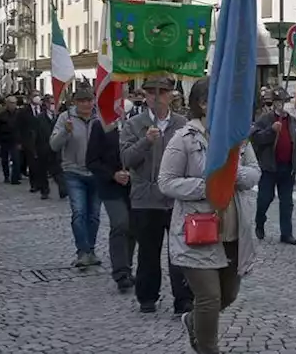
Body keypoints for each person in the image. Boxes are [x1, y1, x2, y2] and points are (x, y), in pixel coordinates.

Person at [159, 77, 261, 354]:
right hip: (198, 232)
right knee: (209, 297)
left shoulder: (237, 135)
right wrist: (209, 186)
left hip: (233, 230)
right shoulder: (184, 138)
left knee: (228, 295)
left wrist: (232, 177)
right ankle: (208, 349)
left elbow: (254, 172)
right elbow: (166, 182)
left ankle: (193, 321)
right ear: (203, 103)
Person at [121, 76, 193, 314]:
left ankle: (183, 299)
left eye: (162, 92)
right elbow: (126, 159)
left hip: (175, 198)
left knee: (179, 252)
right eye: (151, 92)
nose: (156, 97)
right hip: (146, 198)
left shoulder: (183, 124)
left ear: (171, 95)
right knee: (149, 252)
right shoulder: (134, 124)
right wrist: (146, 141)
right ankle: (147, 297)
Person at [50, 88, 103, 268]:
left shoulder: (100, 118)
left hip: (96, 173)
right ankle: (82, 252)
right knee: (79, 212)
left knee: (94, 215)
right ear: (75, 103)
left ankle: (91, 249)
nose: (86, 104)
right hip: (74, 172)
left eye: (89, 100)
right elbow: (54, 145)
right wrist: (65, 132)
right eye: (82, 101)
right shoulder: (66, 118)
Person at [86, 112, 135, 294]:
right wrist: (112, 174)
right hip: (110, 185)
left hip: (134, 185)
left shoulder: (138, 122)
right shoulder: (101, 125)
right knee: (120, 223)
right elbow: (91, 160)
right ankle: (120, 272)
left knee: (133, 227)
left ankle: (127, 267)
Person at [251, 87, 296, 245]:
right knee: (265, 198)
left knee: (287, 202)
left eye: (284, 101)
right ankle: (260, 221)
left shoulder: (293, 121)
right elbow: (255, 138)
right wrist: (271, 131)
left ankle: (286, 233)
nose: (281, 105)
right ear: (273, 103)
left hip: (287, 167)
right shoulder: (265, 119)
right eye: (278, 102)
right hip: (269, 167)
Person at [0, 95, 23, 184]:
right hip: (4, 139)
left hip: (15, 140)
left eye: (14, 103)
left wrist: (21, 141)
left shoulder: (20, 114)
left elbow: (22, 128)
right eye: (11, 103)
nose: (13, 105)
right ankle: (6, 176)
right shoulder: (1, 115)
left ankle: (15, 178)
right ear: (7, 104)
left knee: (16, 160)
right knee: (4, 160)